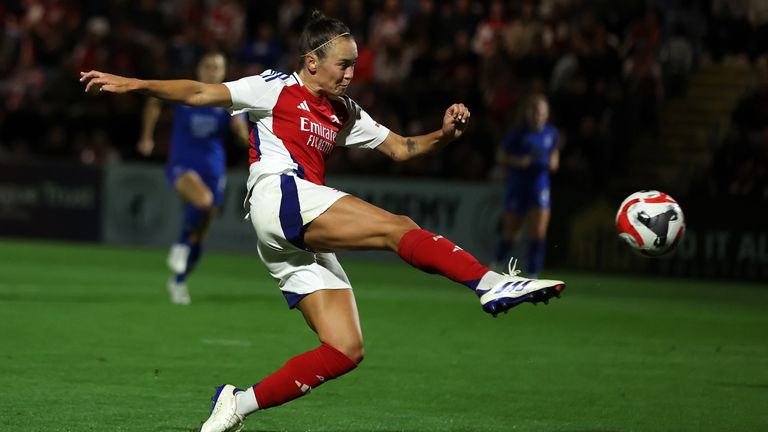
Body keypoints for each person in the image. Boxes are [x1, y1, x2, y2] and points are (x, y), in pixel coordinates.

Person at [81, 11, 566, 432]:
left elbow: (401, 148)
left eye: (355, 63)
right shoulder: (274, 87)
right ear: (312, 60)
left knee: (345, 348)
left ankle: (237, 402)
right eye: (344, 63)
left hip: (288, 234)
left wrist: (445, 133)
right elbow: (202, 91)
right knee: (397, 226)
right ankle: (488, 282)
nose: (352, 72)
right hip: (279, 193)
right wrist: (135, 83)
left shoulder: (343, 110)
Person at [137, 51, 250, 305]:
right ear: (199, 69)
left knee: (200, 235)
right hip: (182, 164)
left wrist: (243, 135)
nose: (212, 71)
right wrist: (147, 135)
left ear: (223, 72)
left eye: (217, 67)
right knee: (203, 200)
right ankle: (179, 246)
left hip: (214, 171)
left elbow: (241, 128)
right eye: (208, 66)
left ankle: (179, 281)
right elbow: (154, 100)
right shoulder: (186, 92)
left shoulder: (228, 101)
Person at [494, 93, 560, 278]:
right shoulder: (518, 132)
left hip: (540, 187)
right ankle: (497, 264)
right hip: (518, 186)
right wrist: (518, 161)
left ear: (546, 114)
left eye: (540, 112)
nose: (536, 115)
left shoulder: (551, 133)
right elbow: (501, 155)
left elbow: (555, 162)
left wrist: (548, 162)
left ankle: (533, 273)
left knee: (538, 233)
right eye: (534, 111)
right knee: (511, 233)